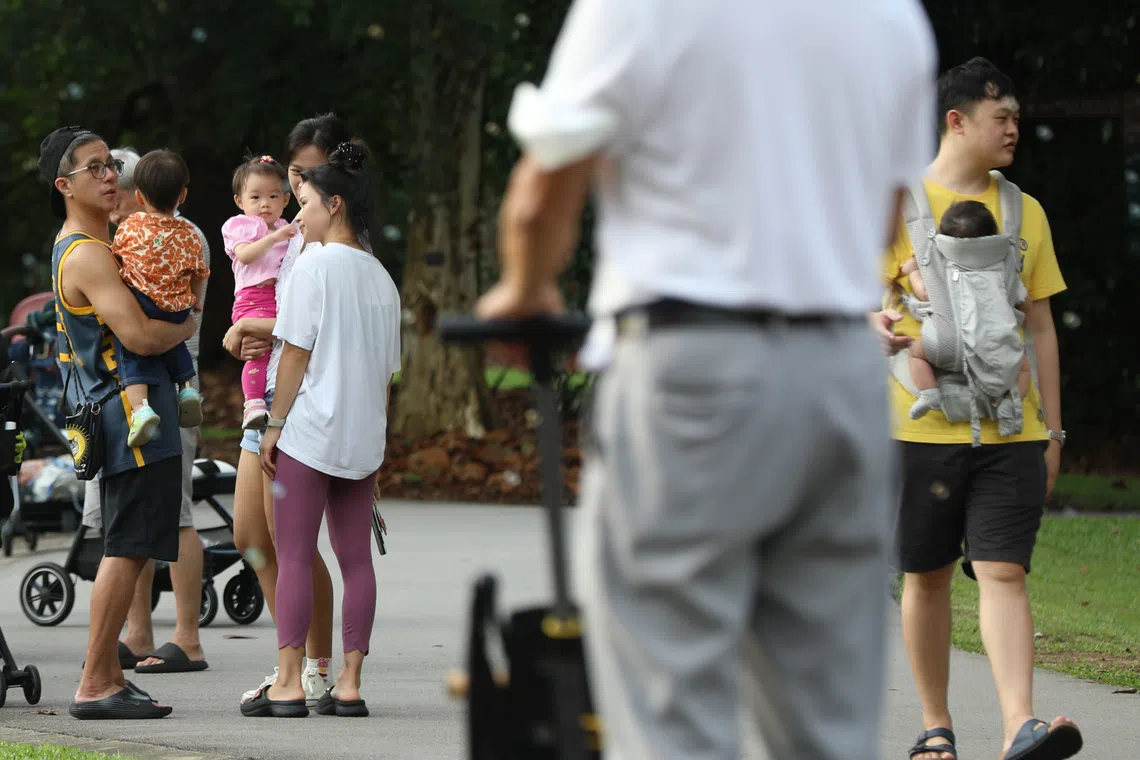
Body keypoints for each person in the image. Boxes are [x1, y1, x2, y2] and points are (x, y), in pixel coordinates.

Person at [474, 1, 936, 758]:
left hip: (692, 363)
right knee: (829, 721)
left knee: (674, 707)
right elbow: (884, 219)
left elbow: (543, 188)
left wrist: (525, 291)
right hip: (843, 369)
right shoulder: (891, 16)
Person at [871, 57, 1081, 760]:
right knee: (926, 575)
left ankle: (1021, 725)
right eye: (1003, 117)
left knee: (1003, 570)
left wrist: (1053, 432)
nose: (1015, 129)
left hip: (1011, 429)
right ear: (957, 121)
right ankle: (937, 727)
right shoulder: (894, 204)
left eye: (1018, 118)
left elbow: (1041, 328)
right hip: (917, 429)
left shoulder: (1026, 212)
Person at [40, 125, 195, 719]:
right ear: (65, 186)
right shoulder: (88, 253)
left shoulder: (86, 245)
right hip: (128, 417)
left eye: (111, 165)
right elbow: (141, 336)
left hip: (122, 414)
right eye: (95, 168)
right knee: (127, 548)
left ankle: (106, 676)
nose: (111, 176)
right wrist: (190, 322)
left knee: (130, 545)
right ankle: (95, 684)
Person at [241, 142, 399, 718]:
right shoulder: (383, 279)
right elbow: (386, 375)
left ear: (334, 204)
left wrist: (274, 425)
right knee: (357, 560)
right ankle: (350, 684)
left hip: (308, 434)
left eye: (304, 203)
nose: (298, 216)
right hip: (363, 440)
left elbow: (294, 354)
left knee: (293, 555)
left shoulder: (313, 266)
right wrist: (377, 443)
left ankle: (288, 682)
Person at [223, 113, 357, 706]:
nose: (294, 187)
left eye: (305, 175)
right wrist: (247, 334)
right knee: (251, 535)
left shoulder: (335, 239)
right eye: (292, 174)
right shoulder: (282, 229)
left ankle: (310, 669)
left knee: (291, 544)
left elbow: (328, 327)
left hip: (302, 403)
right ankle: (293, 659)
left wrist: (254, 328)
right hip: (266, 394)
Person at [81, 145, 212, 676]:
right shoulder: (174, 235)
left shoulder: (140, 235)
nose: (113, 204)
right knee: (128, 522)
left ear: (137, 193)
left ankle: (188, 637)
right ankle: (137, 632)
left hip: (159, 383)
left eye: (118, 193)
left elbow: (146, 330)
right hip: (154, 384)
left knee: (176, 514)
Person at [110, 149, 209, 446]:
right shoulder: (190, 234)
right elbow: (200, 274)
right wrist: (195, 302)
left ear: (138, 196)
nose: (113, 215)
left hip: (146, 313)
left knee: (129, 352)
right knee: (177, 344)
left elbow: (115, 261)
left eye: (118, 203)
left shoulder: (129, 229)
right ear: (182, 195)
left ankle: (140, 409)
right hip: (178, 313)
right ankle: (188, 389)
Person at [902, 200, 1033, 421]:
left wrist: (912, 271)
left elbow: (924, 293)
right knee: (1023, 366)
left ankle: (929, 392)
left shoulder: (941, 265)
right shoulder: (1004, 267)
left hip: (947, 342)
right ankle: (1010, 403)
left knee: (916, 354)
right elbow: (1022, 299)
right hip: (993, 347)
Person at [221, 156, 297, 430]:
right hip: (252, 298)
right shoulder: (240, 225)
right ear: (240, 201)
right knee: (258, 349)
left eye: (273, 196)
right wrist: (273, 238)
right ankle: (253, 402)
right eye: (255, 197)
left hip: (277, 298)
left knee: (275, 348)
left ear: (285, 200)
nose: (265, 204)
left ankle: (270, 397)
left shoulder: (288, 227)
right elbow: (245, 255)